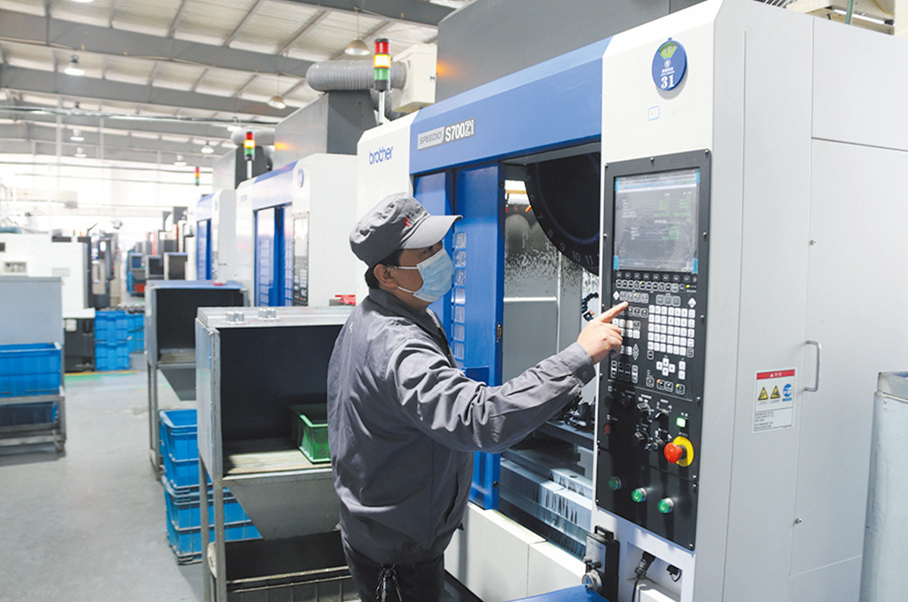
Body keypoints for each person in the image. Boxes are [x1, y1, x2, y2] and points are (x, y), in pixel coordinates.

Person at [327, 193, 627, 602]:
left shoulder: (383, 315)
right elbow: (479, 419)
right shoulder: (397, 344)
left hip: (383, 530)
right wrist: (578, 356)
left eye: (439, 245)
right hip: (397, 554)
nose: (441, 257)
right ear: (387, 274)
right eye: (426, 252)